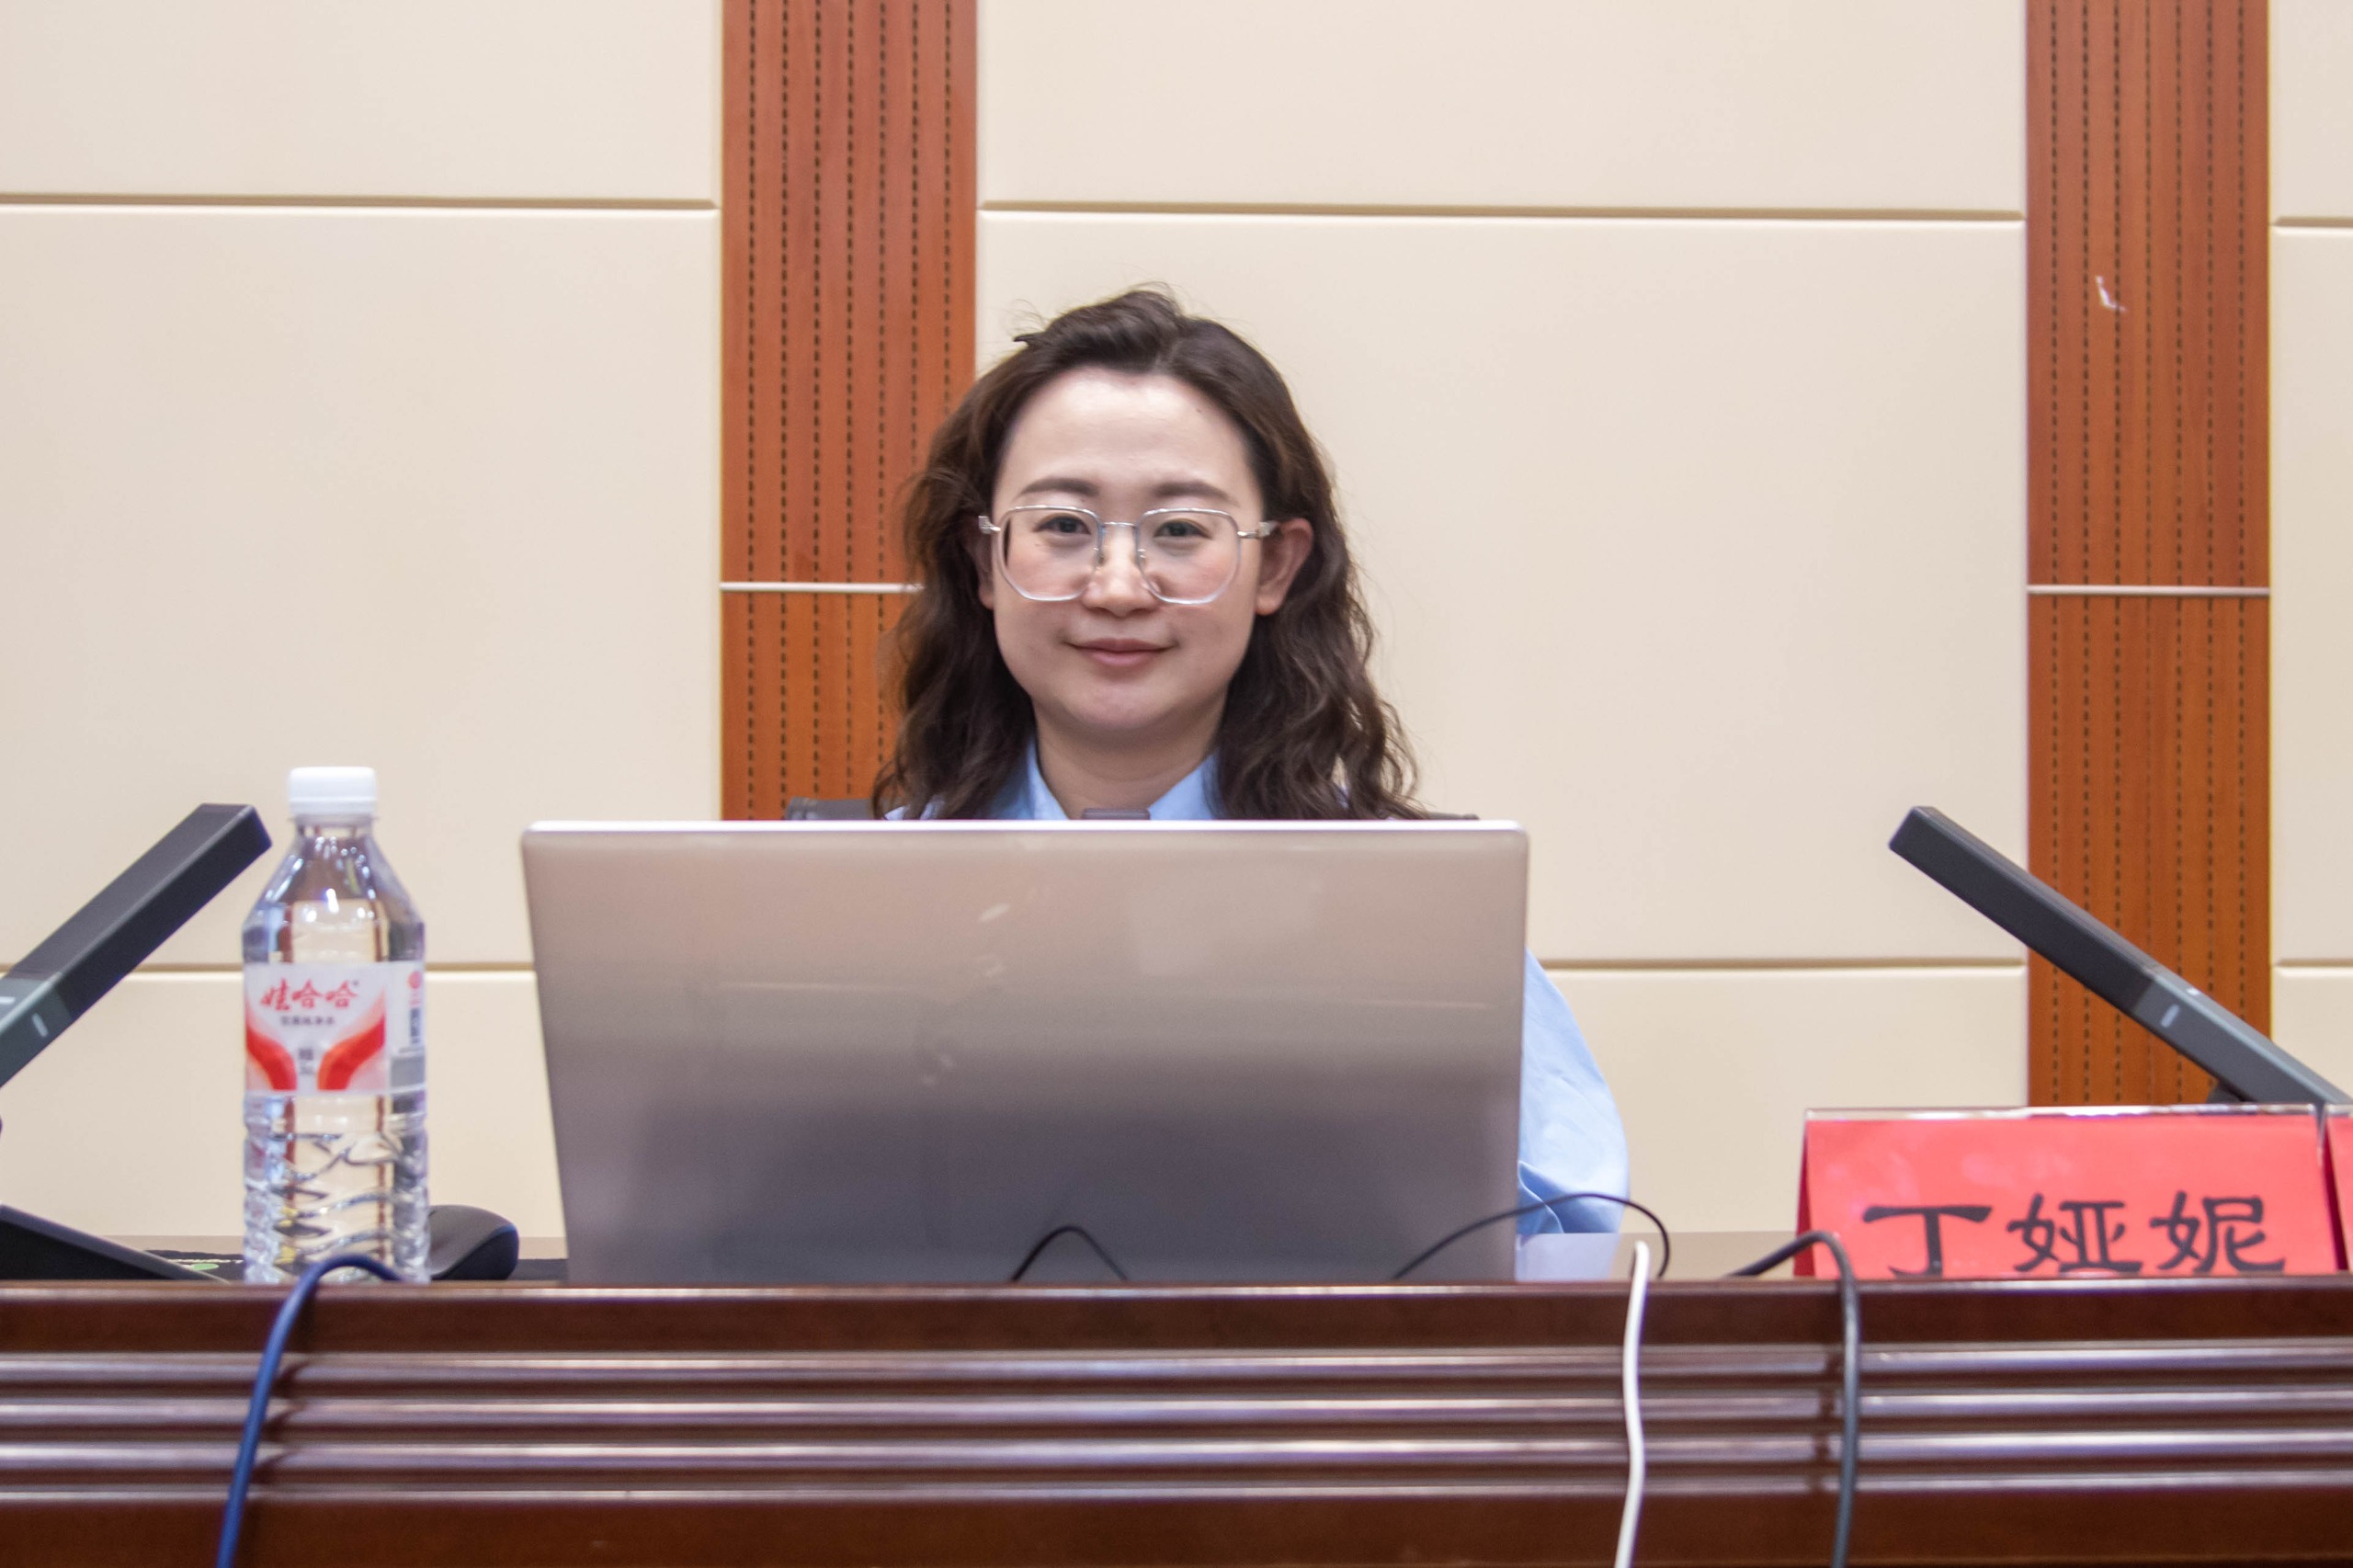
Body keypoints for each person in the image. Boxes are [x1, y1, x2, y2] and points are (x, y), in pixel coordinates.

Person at [874, 289, 1628, 1233]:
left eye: (1180, 530)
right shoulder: (865, 907)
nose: (1117, 586)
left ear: (1274, 566)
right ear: (984, 563)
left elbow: (1566, 1245)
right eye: (1063, 526)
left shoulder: (1413, 913)